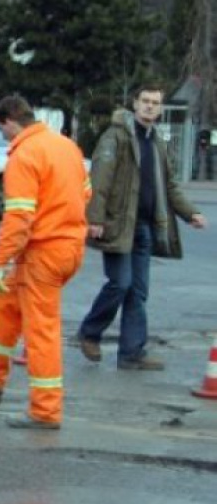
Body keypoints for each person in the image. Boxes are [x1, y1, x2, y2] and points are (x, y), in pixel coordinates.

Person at [0, 96, 90, 430]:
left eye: (0, 130)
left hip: (42, 253)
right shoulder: (65, 147)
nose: (3, 138)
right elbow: (85, 192)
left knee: (40, 332)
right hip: (64, 247)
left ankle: (45, 412)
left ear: (7, 121)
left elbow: (18, 217)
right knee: (4, 307)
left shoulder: (24, 154)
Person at [77, 84, 208, 370]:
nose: (150, 106)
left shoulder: (155, 141)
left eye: (155, 102)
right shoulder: (116, 137)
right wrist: (95, 219)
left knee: (138, 291)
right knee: (120, 284)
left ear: (160, 108)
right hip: (119, 225)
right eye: (145, 101)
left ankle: (131, 353)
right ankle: (89, 333)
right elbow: (100, 179)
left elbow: (169, 185)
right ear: (134, 104)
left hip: (145, 227)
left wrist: (191, 214)